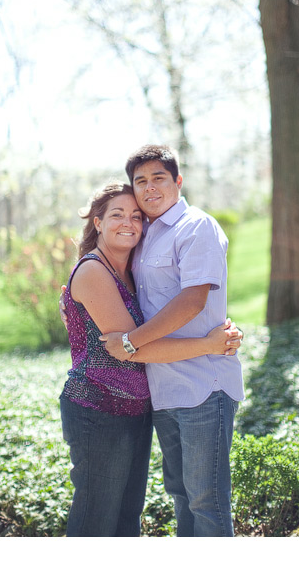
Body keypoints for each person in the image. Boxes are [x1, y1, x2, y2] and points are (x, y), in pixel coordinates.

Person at [60, 182, 241, 537]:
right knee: (96, 518)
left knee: (127, 517)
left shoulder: (132, 271)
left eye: (136, 216)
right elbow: (135, 347)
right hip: (98, 410)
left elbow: (173, 310)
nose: (128, 223)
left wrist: (221, 329)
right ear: (97, 223)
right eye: (117, 214)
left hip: (137, 408)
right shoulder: (94, 271)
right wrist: (209, 344)